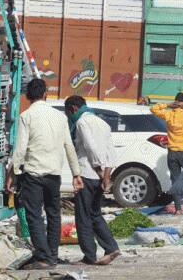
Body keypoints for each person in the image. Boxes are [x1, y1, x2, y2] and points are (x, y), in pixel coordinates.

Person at [7, 79, 83, 269]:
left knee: (34, 216)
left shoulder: (27, 116)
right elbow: (69, 146)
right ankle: (52, 255)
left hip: (33, 174)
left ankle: (43, 257)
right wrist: (76, 174)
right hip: (54, 175)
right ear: (45, 94)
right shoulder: (60, 117)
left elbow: (20, 149)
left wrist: (12, 173)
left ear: (27, 96)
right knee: (54, 214)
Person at [64, 96, 120, 266]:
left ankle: (89, 255)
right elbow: (111, 152)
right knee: (95, 213)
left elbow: (90, 147)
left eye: (68, 112)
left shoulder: (81, 123)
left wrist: (98, 170)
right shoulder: (102, 123)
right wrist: (106, 175)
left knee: (83, 216)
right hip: (99, 177)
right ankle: (111, 247)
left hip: (87, 174)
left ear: (73, 108)